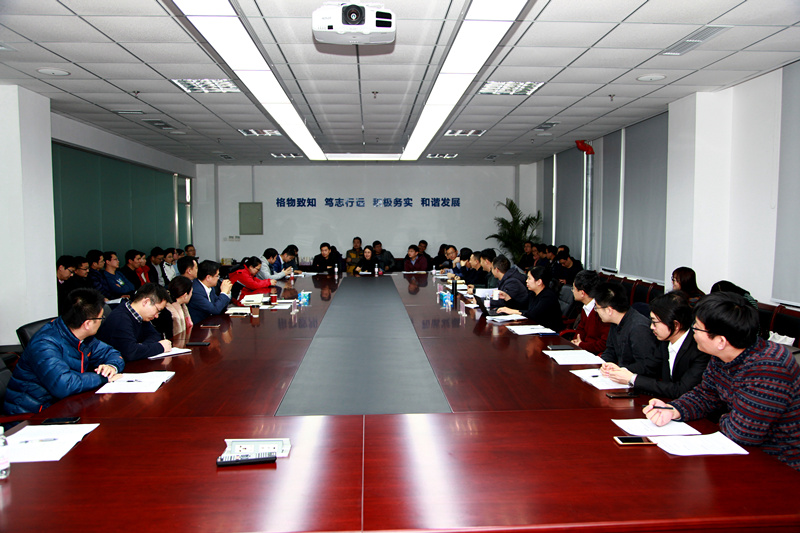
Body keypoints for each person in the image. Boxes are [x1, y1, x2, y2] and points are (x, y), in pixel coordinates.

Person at [645, 292, 800, 470]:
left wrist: (724, 417)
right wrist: (674, 409)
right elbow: (706, 394)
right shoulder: (723, 354)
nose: (692, 331)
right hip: (740, 453)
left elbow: (742, 433)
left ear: (721, 341)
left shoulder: (769, 368)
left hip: (779, 464)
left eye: (696, 328)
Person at [4, 288, 124, 415]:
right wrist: (102, 377)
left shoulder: (82, 336)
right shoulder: (44, 344)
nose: (101, 321)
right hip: (32, 416)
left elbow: (113, 354)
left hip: (66, 406)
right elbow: (64, 385)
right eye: (101, 318)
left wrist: (111, 367)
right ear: (88, 324)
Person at [603, 291, 710, 398]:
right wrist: (621, 369)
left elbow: (680, 390)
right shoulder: (665, 341)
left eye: (655, 322)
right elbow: (649, 365)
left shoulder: (699, 350)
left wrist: (632, 379)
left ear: (675, 325)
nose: (651, 327)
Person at [596, 281, 659, 379]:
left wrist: (620, 370)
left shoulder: (639, 328)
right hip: (620, 375)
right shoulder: (615, 321)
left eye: (597, 308)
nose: (596, 311)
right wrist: (604, 364)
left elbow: (645, 365)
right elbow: (611, 350)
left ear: (609, 310)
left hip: (636, 380)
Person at [96, 283, 171, 361]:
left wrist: (142, 347)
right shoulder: (121, 318)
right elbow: (130, 353)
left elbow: (155, 335)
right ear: (146, 302)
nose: (156, 316)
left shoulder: (140, 317)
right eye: (157, 310)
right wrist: (160, 347)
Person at [497, 266, 563, 331]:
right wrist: (507, 297)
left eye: (529, 278)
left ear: (539, 282)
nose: (526, 281)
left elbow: (533, 314)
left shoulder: (548, 296)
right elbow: (520, 306)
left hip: (549, 333)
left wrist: (513, 311)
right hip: (535, 328)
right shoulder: (533, 294)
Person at [569, 270, 610, 354]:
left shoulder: (602, 311)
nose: (572, 291)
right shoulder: (585, 307)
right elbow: (580, 330)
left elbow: (604, 344)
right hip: (583, 351)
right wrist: (575, 342)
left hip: (595, 355)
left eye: (573, 288)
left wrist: (581, 345)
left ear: (582, 293)